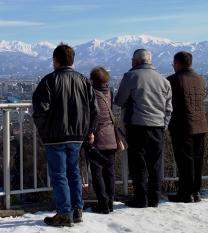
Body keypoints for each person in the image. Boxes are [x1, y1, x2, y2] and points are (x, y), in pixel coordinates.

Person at [32, 43, 98, 227]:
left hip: (55, 137)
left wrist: (45, 131)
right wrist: (89, 130)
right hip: (77, 136)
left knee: (59, 175)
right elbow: (94, 109)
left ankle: (63, 213)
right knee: (73, 172)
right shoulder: (84, 81)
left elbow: (39, 111)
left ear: (56, 60)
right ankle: (77, 210)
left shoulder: (49, 81)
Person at [114, 49, 172, 208]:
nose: (131, 62)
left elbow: (119, 101)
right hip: (158, 127)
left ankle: (141, 198)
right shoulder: (163, 80)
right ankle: (154, 198)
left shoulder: (130, 77)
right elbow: (169, 109)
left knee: (138, 163)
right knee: (155, 164)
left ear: (137, 61)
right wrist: (164, 125)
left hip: (137, 126)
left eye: (132, 60)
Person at [167, 51, 208, 203]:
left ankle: (185, 193)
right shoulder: (200, 79)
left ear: (178, 63)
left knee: (184, 161)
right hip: (201, 125)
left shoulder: (173, 80)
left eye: (173, 63)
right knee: (197, 160)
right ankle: (196, 192)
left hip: (182, 126)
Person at [88, 67, 117, 214]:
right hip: (111, 136)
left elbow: (92, 115)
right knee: (110, 170)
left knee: (97, 171)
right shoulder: (109, 92)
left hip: (97, 137)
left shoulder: (91, 94)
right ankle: (110, 202)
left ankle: (103, 203)